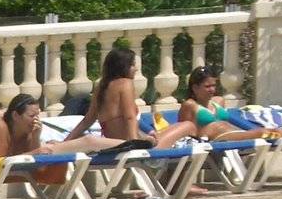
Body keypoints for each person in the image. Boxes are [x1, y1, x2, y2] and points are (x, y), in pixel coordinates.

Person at [64, 48, 197, 149]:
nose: (136, 69)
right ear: (123, 66)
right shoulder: (125, 84)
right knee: (188, 125)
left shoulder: (101, 87)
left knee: (174, 132)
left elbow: (87, 120)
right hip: (130, 145)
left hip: (116, 145)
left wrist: (66, 141)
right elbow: (129, 117)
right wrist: (135, 143)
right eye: (133, 65)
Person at [0, 93, 141, 161]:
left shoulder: (27, 129)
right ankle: (132, 144)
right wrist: (36, 151)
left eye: (38, 115)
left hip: (23, 158)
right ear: (15, 115)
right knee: (88, 141)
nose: (36, 119)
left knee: (87, 141)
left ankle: (133, 145)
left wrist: (36, 137)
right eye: (31, 116)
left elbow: (33, 160)